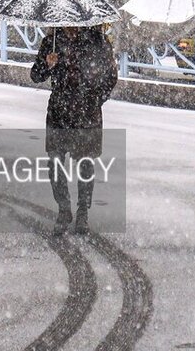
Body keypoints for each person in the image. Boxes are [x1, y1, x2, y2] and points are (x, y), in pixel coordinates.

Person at [30, 24, 118, 235]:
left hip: (86, 112)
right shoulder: (51, 42)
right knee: (55, 162)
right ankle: (63, 208)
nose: (69, 25)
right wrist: (47, 65)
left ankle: (82, 213)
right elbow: (36, 75)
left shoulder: (98, 42)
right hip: (59, 112)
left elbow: (110, 77)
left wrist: (95, 100)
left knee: (85, 164)